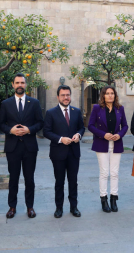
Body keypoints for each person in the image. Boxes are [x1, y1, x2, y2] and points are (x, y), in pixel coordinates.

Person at [0, 73, 44, 219]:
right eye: (17, 82)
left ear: (26, 85)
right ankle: (12, 207)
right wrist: (10, 130)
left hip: (30, 147)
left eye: (22, 83)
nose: (20, 85)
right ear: (13, 85)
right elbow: (0, 124)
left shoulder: (34, 103)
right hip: (12, 147)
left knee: (29, 178)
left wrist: (29, 129)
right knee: (13, 178)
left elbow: (40, 122)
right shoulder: (6, 104)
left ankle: (30, 207)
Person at [43, 85, 85, 218]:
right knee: (59, 182)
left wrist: (78, 135)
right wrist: (61, 139)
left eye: (68, 95)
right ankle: (59, 208)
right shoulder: (51, 113)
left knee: (73, 181)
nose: (66, 97)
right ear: (58, 97)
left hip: (74, 152)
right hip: (58, 153)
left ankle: (74, 207)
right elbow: (46, 132)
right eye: (63, 95)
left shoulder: (76, 111)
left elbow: (81, 128)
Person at [88, 85, 128, 213]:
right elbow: (90, 126)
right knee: (104, 172)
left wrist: (120, 134)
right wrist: (103, 134)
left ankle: (113, 199)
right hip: (102, 143)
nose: (110, 95)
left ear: (115, 95)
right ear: (103, 95)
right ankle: (104, 199)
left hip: (116, 144)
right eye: (107, 93)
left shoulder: (120, 108)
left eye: (112, 93)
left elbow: (125, 126)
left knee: (115, 173)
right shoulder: (96, 108)